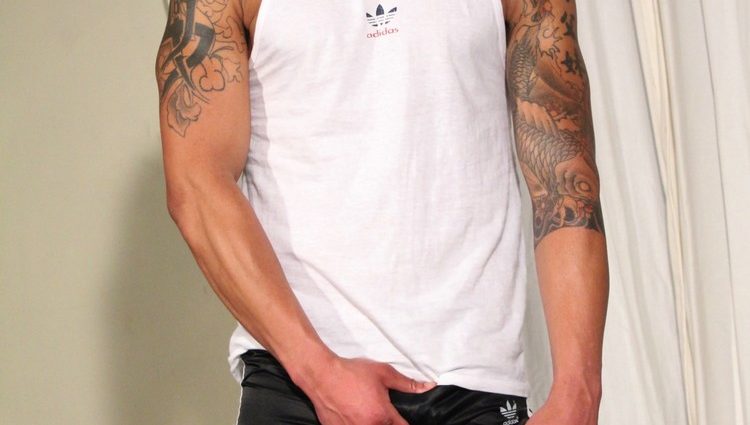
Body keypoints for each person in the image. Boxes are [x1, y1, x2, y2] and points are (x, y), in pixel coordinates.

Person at [155, 0, 609, 423]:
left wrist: (579, 392)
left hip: (477, 382)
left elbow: (565, 178)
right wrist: (318, 371)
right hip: (302, 383)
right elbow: (197, 185)